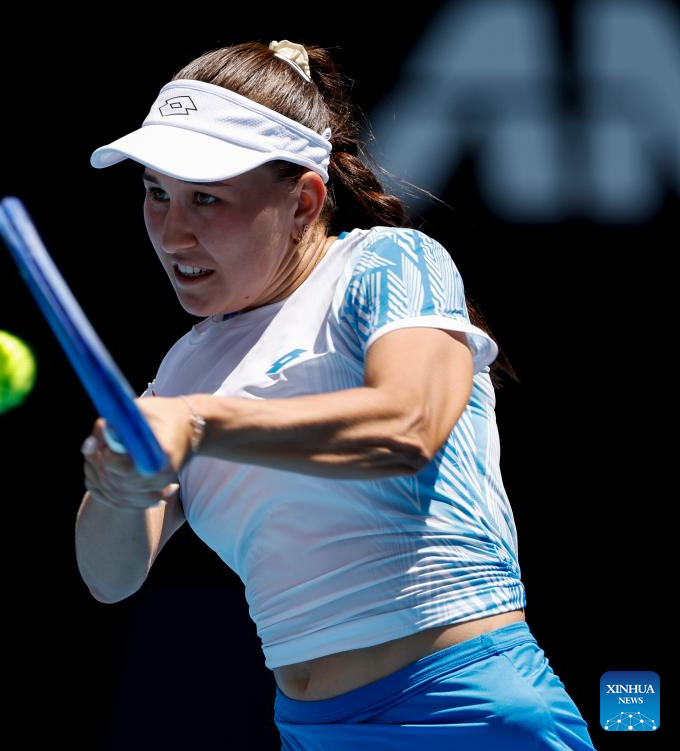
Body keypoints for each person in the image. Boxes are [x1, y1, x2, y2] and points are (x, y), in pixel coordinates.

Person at [74, 40, 596, 750]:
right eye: (156, 192)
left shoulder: (388, 263)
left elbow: (407, 427)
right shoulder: (183, 369)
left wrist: (196, 422)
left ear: (304, 202)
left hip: (463, 708)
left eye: (206, 198)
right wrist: (117, 488)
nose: (172, 231)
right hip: (311, 730)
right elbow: (110, 578)